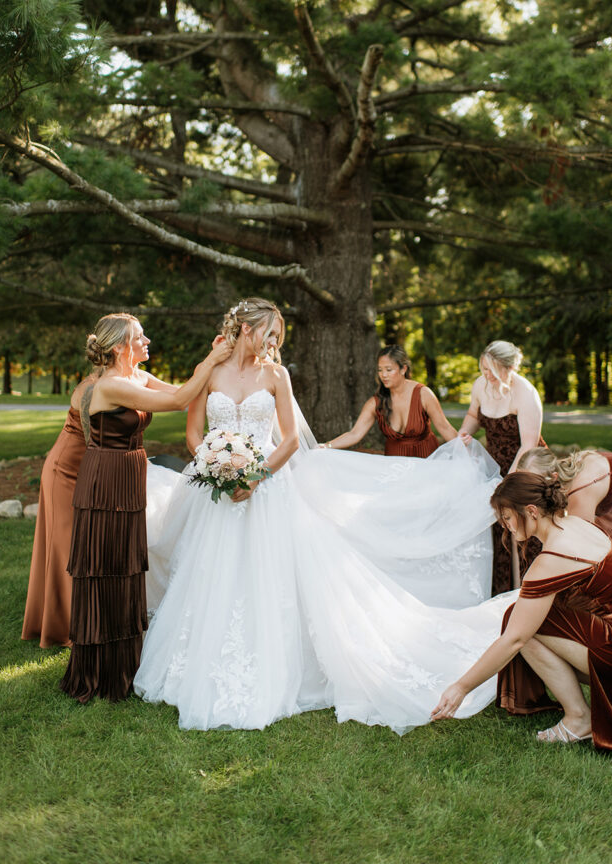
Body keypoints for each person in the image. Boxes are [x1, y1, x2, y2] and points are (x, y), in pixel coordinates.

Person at [135, 299, 513, 731]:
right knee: (211, 574)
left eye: (279, 335)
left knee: (269, 577)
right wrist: (217, 467)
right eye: (268, 332)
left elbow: (291, 439)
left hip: (266, 491)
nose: (274, 342)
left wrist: (255, 476)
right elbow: (193, 432)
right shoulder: (212, 373)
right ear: (244, 328)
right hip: (216, 492)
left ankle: (274, 662)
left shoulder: (276, 375)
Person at [60, 313, 230, 704]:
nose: (147, 340)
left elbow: (185, 389)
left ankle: (127, 661)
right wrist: (214, 361)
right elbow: (177, 400)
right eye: (140, 336)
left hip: (130, 474)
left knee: (126, 565)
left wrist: (216, 363)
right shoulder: (113, 385)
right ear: (120, 346)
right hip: (106, 479)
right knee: (106, 566)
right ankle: (101, 671)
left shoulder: (136, 376)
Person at [431, 471, 612, 751]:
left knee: (518, 624)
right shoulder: (578, 524)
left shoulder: (553, 558)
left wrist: (461, 687)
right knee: (530, 618)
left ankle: (579, 717)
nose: (505, 526)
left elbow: (514, 639)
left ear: (531, 511)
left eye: (507, 517)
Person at [458, 340, 545, 593]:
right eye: (483, 369)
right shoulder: (480, 385)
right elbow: (474, 415)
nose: (486, 375)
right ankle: (500, 594)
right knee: (498, 531)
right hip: (493, 465)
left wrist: (507, 483)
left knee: (524, 530)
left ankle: (530, 593)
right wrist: (465, 432)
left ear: (508, 368)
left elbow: (528, 445)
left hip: (525, 467)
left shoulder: (526, 393)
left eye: (492, 371)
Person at [21, 373, 98, 648]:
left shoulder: (127, 378)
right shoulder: (92, 387)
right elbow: (94, 440)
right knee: (64, 547)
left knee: (77, 546)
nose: (147, 341)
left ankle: (68, 619)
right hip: (63, 470)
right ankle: (62, 629)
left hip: (83, 469)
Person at [323, 345, 461, 457]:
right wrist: (326, 446)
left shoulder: (423, 394)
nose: (383, 375)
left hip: (426, 459)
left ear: (403, 369)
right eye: (380, 370)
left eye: (389, 370)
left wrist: (466, 453)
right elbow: (354, 434)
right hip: (394, 464)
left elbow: (445, 428)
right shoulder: (375, 403)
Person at [518, 446, 612, 541]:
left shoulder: (579, 495)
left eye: (534, 485)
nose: (528, 492)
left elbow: (586, 544)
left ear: (553, 477)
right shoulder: (565, 475)